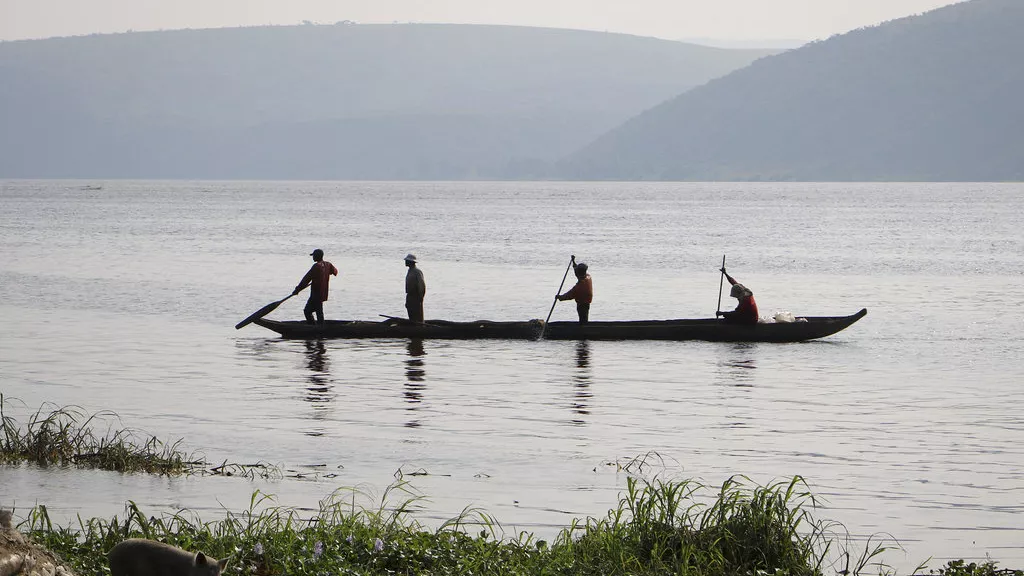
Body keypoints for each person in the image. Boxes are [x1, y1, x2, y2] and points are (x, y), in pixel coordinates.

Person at [293, 249, 338, 324]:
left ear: (317, 256)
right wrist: (326, 273)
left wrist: (297, 290)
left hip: (316, 294)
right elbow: (335, 272)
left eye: (313, 256)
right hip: (323, 294)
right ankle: (319, 327)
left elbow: (306, 280)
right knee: (319, 312)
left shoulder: (316, 266)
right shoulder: (328, 264)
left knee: (307, 311)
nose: (313, 257)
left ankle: (314, 327)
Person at [404, 253, 426, 323]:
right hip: (410, 296)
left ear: (411, 262)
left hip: (416, 296)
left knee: (417, 316)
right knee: (411, 315)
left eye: (407, 261)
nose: (405, 262)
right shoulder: (410, 271)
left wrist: (420, 298)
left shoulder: (417, 272)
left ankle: (419, 328)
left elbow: (421, 285)